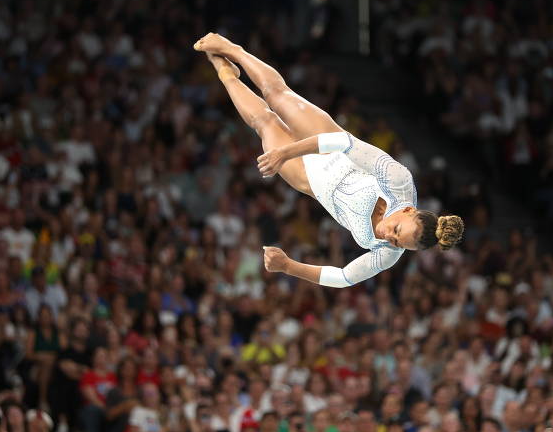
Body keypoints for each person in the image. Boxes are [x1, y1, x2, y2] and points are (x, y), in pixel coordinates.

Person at [194, 33, 463, 288]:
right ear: (407, 211)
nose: (388, 237)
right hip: (329, 146)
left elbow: (344, 277)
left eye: (398, 243)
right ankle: (232, 49)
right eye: (395, 230)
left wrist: (288, 266)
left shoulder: (387, 255)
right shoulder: (398, 180)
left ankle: (224, 70)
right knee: (276, 96)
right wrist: (286, 152)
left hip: (312, 181)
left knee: (263, 123)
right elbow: (344, 143)